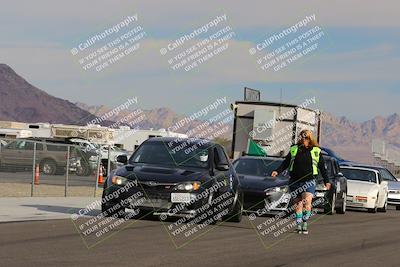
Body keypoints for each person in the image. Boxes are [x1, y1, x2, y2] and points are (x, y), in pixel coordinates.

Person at [271, 129, 330, 235]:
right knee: (298, 205)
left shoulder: (316, 151)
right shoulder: (294, 149)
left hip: (309, 181)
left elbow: (322, 167)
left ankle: (305, 222)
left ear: (310, 139)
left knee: (307, 203)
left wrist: (327, 181)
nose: (303, 139)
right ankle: (299, 225)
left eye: (306, 137)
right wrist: (277, 171)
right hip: (294, 181)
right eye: (302, 137)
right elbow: (286, 163)